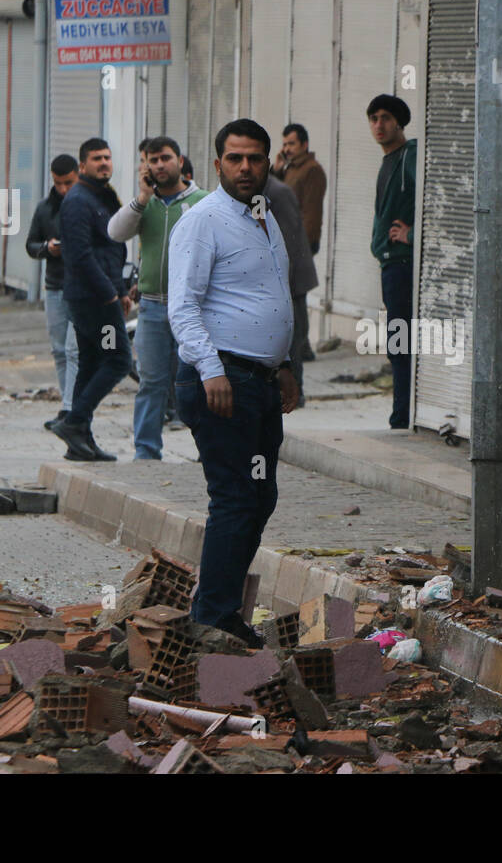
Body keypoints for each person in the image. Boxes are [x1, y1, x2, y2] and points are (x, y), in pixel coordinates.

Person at [168, 118, 298, 646]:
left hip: (260, 381)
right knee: (234, 497)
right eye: (236, 158)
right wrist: (211, 369)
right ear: (218, 162)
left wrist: (284, 366)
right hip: (223, 380)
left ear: (269, 163)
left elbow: (269, 294)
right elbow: (182, 304)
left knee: (259, 495)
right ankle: (212, 618)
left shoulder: (265, 216)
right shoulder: (203, 221)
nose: (246, 168)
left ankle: (222, 611)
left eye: (256, 159)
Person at [107, 136, 209, 460]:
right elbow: (115, 232)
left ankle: (209, 451)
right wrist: (140, 198)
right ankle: (146, 453)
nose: (159, 165)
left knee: (195, 383)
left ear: (180, 160)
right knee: (151, 382)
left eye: (165, 158)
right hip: (151, 307)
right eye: (153, 160)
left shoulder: (203, 201)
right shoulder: (145, 205)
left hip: (192, 308)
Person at [51, 137, 131, 462]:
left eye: (107, 158)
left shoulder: (101, 196)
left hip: (100, 295)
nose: (104, 163)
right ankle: (73, 422)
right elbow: (81, 255)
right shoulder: (78, 200)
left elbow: (111, 247)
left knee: (92, 364)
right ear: (82, 166)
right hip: (92, 300)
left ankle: (80, 442)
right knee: (118, 360)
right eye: (97, 159)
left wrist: (121, 288)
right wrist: (111, 293)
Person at [366, 94, 417, 429]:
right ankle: (402, 411)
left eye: (385, 118)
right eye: (373, 118)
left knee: (403, 340)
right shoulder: (388, 161)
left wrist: (413, 234)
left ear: (399, 122)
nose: (379, 125)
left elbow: (437, 193)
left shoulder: (410, 155)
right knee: (398, 341)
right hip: (389, 263)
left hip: (404, 263)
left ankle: (403, 414)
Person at [27, 154, 80, 430]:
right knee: (59, 349)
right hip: (55, 286)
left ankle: (72, 408)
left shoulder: (88, 204)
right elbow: (30, 245)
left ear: (78, 175)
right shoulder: (45, 208)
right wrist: (47, 248)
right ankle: (66, 405)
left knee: (74, 350)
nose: (63, 189)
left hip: (82, 289)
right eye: (58, 183)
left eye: (68, 183)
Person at [263, 173, 317, 407]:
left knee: (292, 338)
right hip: (277, 280)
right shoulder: (258, 192)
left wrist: (281, 284)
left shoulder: (277, 192)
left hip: (291, 280)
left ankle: (297, 392)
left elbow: (288, 242)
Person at [272, 123, 326, 256]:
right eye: (284, 145)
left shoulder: (312, 170)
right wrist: (276, 170)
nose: (286, 149)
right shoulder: (291, 168)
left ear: (304, 145)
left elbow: (311, 214)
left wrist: (301, 248)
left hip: (298, 245)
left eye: (291, 144)